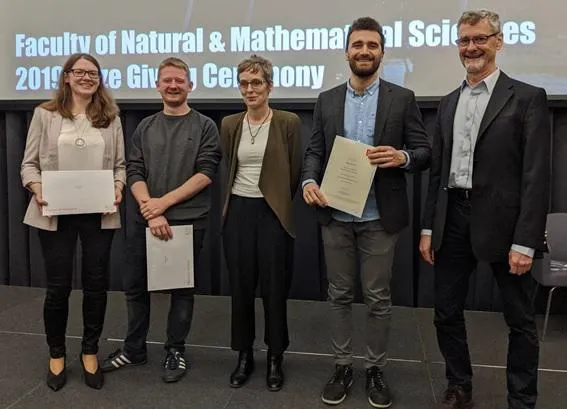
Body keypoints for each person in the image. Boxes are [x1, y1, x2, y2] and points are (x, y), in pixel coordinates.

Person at [419, 9, 550, 409]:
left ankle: (521, 399)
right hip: (452, 218)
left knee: (521, 323)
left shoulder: (527, 98)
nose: (471, 47)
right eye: (464, 40)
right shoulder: (446, 103)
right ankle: (459, 386)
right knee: (445, 313)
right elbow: (438, 171)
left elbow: (535, 176)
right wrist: (428, 227)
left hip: (506, 225)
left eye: (480, 38)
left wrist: (526, 242)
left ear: (498, 41)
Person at [302, 16, 431, 408]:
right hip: (335, 216)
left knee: (378, 297)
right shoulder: (326, 100)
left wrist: (402, 156)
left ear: (381, 52)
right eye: (357, 45)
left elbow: (424, 152)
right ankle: (343, 364)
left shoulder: (402, 98)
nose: (364, 51)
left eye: (371, 45)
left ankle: (374, 368)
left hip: (379, 217)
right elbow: (315, 153)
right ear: (347, 51)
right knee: (339, 294)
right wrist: (309, 182)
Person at [101, 57, 222, 383]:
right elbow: (135, 171)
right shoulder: (146, 127)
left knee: (181, 290)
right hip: (146, 219)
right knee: (135, 288)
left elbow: (206, 173)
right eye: (167, 80)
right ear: (158, 85)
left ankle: (175, 350)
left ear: (189, 85)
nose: (173, 85)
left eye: (179, 80)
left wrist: (161, 206)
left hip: (188, 221)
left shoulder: (205, 126)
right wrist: (148, 209)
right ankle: (134, 349)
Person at [20, 53, 125, 391]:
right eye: (79, 72)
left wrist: (118, 188)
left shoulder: (111, 117)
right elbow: (29, 165)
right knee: (58, 287)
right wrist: (37, 188)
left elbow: (120, 166)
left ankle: (90, 351)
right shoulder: (44, 115)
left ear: (99, 79)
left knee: (96, 285)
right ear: (66, 77)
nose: (86, 77)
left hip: (98, 212)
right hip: (55, 212)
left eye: (92, 73)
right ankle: (57, 353)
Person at [220, 55, 302, 391]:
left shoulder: (288, 122)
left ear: (269, 86)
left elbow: (294, 171)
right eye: (244, 83)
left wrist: (276, 199)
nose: (250, 89)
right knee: (240, 289)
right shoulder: (229, 124)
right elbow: (230, 166)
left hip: (272, 214)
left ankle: (274, 357)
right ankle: (244, 356)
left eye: (256, 82)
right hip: (239, 211)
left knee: (273, 290)